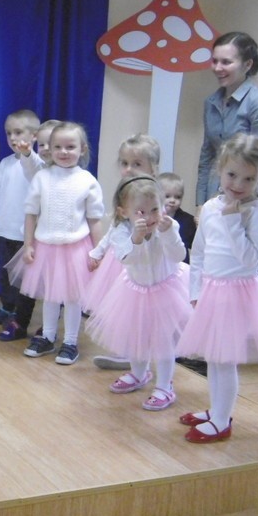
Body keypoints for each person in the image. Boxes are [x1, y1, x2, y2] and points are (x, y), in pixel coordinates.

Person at [177, 134, 258, 443]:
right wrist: (195, 291)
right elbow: (199, 252)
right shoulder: (209, 207)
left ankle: (222, 420)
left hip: (237, 293)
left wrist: (233, 221)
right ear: (220, 169)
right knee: (213, 358)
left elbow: (252, 260)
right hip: (211, 291)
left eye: (248, 178)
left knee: (224, 360)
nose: (238, 184)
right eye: (232, 174)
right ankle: (216, 410)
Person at [85, 175, 191, 410]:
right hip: (135, 291)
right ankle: (139, 373)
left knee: (164, 341)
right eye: (141, 212)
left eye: (155, 209)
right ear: (124, 212)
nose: (150, 217)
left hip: (167, 290)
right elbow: (126, 258)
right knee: (137, 335)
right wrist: (136, 239)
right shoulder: (121, 231)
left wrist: (168, 234)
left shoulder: (168, 226)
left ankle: (165, 386)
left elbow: (179, 256)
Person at [7, 121, 104, 364]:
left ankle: (70, 342)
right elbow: (31, 213)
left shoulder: (87, 180)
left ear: (82, 149)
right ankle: (48, 337)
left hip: (76, 249)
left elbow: (94, 219)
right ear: (49, 149)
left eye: (70, 147)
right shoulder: (42, 177)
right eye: (58, 147)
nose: (64, 152)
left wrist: (98, 250)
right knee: (50, 295)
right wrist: (28, 244)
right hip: (46, 247)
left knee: (73, 298)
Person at [198, 31, 258, 260]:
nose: (218, 68)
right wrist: (201, 202)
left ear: (247, 64)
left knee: (242, 259)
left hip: (248, 194)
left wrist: (244, 205)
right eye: (215, 61)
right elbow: (207, 154)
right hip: (218, 190)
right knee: (214, 257)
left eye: (226, 62)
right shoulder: (211, 102)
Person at [84, 134, 161, 370]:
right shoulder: (124, 191)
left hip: (143, 264)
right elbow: (115, 227)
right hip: (120, 259)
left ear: (153, 168)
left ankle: (139, 353)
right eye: (124, 163)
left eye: (136, 164)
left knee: (140, 311)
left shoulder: (154, 195)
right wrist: (98, 251)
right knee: (123, 310)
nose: (128, 169)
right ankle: (126, 351)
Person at [0, 119, 60, 341]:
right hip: (38, 238)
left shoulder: (76, 176)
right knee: (29, 282)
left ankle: (49, 326)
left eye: (51, 144)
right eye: (41, 144)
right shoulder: (40, 171)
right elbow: (32, 165)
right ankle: (20, 322)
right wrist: (27, 153)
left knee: (56, 285)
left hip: (62, 242)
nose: (46, 149)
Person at [0, 109, 40, 326]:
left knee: (24, 276)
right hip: (4, 230)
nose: (12, 138)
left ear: (34, 136)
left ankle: (20, 315)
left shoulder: (38, 165)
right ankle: (7, 307)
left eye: (18, 132)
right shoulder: (5, 163)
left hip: (25, 234)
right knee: (5, 273)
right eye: (9, 133)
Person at [158, 172, 196, 262]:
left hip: (181, 266)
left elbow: (198, 247)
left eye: (177, 197)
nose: (172, 200)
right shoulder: (152, 219)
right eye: (167, 196)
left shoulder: (188, 221)